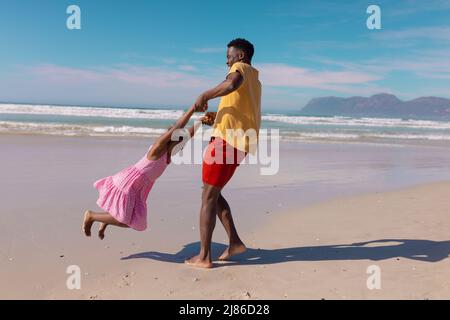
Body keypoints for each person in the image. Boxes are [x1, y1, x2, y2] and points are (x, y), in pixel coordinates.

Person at [185, 38, 262, 268]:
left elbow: (230, 84)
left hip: (227, 142)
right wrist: (216, 119)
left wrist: (205, 95)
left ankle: (204, 257)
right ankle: (235, 242)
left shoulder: (239, 70)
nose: (226, 61)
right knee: (212, 193)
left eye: (228, 56)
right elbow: (239, 107)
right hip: (240, 142)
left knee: (208, 196)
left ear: (240, 56)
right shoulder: (255, 79)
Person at [82, 104, 209, 239]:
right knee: (125, 220)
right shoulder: (157, 148)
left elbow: (188, 135)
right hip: (130, 181)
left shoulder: (168, 154)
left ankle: (104, 220)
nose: (181, 145)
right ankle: (92, 216)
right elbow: (179, 127)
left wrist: (201, 121)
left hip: (140, 186)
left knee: (130, 220)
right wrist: (193, 109)